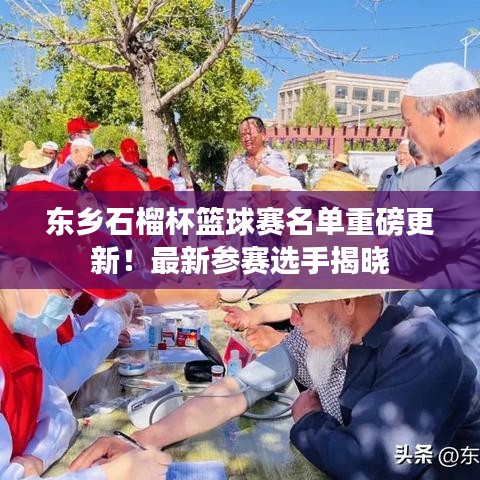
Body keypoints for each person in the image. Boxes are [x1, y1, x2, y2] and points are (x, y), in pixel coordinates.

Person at [71, 288, 480, 479]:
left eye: (299, 306)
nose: (293, 320)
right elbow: (238, 390)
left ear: (347, 301)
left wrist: (309, 420)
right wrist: (140, 439)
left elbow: (373, 467)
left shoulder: (420, 347)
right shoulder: (323, 336)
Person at [384, 62, 480, 376]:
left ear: (439, 117)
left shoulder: (462, 183)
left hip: (455, 363)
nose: (408, 135)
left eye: (409, 123)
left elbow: (401, 258)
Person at [225, 116, 289, 191]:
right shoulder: (236, 163)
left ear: (263, 135)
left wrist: (259, 167)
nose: (246, 138)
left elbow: (287, 185)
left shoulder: (277, 158)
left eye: (250, 133)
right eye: (243, 135)